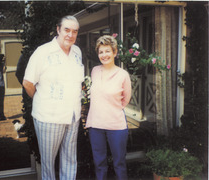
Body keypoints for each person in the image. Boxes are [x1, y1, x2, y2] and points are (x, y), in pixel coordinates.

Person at [23, 15, 84, 180]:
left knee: (70, 160)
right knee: (48, 164)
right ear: (58, 29)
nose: (70, 35)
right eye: (67, 30)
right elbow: (28, 83)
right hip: (49, 118)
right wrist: (43, 100)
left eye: (75, 31)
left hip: (73, 116)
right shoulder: (43, 52)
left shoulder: (77, 52)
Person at [86, 35, 132, 180]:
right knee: (99, 163)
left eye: (107, 51)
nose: (104, 55)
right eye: (101, 52)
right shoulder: (94, 71)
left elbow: (125, 99)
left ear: (114, 52)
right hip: (95, 125)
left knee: (119, 163)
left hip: (116, 125)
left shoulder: (123, 74)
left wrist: (112, 110)